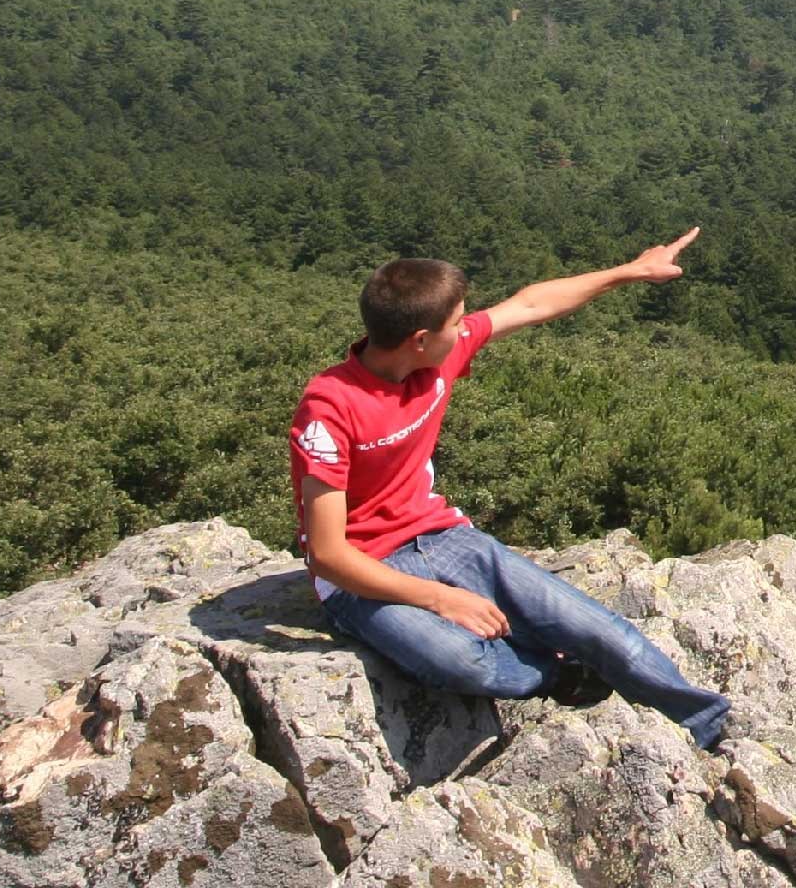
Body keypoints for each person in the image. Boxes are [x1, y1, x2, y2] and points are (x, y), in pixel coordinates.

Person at [288, 229, 730, 750]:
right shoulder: (329, 408)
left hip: (444, 537)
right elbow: (328, 555)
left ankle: (709, 726)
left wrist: (629, 270)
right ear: (420, 340)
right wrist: (439, 598)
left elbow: (531, 303)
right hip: (364, 574)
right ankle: (555, 678)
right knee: (458, 660)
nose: (467, 327)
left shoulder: (435, 356)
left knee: (606, 636)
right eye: (457, 321)